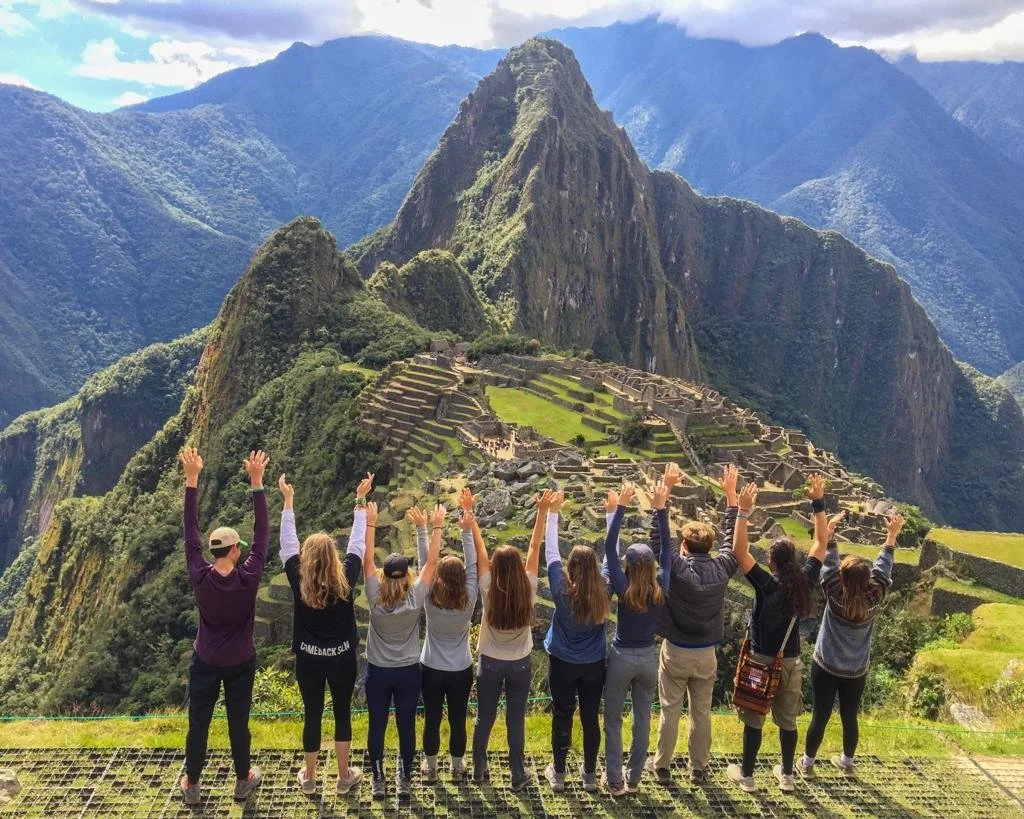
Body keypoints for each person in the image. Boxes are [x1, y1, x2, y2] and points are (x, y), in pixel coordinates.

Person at [726, 474, 832, 794]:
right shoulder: (805, 581)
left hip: (761, 661)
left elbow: (738, 550)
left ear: (771, 561)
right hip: (790, 661)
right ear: (794, 562)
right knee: (788, 720)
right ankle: (786, 774)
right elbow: (822, 543)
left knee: (754, 719)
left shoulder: (766, 584)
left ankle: (747, 775)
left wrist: (743, 511)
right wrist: (818, 502)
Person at [178, 448, 268, 806]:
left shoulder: (200, 576)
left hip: (205, 660)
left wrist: (192, 480)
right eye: (239, 548)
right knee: (238, 722)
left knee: (198, 722)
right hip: (240, 661)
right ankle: (243, 778)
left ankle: (193, 784)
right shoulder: (249, 577)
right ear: (233, 550)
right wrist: (257, 483)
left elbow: (190, 532)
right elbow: (262, 535)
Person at [650, 463, 743, 786]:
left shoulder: (679, 570)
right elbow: (733, 543)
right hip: (706, 654)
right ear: (709, 547)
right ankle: (698, 768)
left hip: (675, 650)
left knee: (670, 709)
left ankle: (662, 765)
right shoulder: (721, 570)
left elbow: (660, 543)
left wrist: (664, 496)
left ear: (686, 547)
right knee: (701, 712)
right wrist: (732, 497)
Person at [278, 472, 370, 797]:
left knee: (312, 714)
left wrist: (288, 502)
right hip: (343, 658)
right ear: (333, 558)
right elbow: (358, 544)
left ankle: (310, 778)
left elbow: (287, 544)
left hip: (309, 661)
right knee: (342, 713)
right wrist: (360, 501)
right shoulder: (345, 581)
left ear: (306, 559)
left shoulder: (297, 580)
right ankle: (344, 777)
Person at [798, 509, 905, 778]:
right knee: (849, 716)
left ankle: (808, 764)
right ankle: (846, 763)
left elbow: (828, 564)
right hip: (856, 670)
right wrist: (891, 535)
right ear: (866, 580)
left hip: (825, 664)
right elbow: (884, 568)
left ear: (843, 579)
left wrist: (830, 535)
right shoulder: (874, 596)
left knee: (819, 716)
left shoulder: (834, 594)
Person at [471, 489, 554, 791]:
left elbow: (480, 550)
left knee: (485, 717)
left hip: (490, 662)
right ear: (519, 567)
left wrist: (471, 515)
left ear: (495, 566)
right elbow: (535, 545)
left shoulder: (487, 586)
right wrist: (542, 510)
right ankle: (517, 776)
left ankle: (479, 770)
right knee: (515, 721)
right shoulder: (529, 586)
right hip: (519, 664)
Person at [601, 468, 675, 797]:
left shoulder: (622, 587)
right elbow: (669, 553)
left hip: (620, 657)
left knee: (614, 720)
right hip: (648, 659)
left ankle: (614, 780)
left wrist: (621, 507)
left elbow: (607, 546)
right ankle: (633, 780)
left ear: (629, 566)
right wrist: (661, 509)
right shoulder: (661, 589)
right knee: (643, 721)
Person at [364, 499, 442, 800]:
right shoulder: (415, 600)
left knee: (377, 725)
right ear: (407, 575)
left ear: (384, 576)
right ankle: (406, 779)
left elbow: (368, 561)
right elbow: (432, 564)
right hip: (408, 671)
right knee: (406, 725)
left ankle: (379, 779)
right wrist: (435, 526)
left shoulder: (374, 596)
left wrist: (370, 521)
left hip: (378, 672)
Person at [542, 490, 611, 793]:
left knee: (562, 713)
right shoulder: (605, 590)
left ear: (570, 570)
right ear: (595, 569)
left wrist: (552, 513)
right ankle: (590, 774)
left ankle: (558, 773)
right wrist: (612, 513)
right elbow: (612, 553)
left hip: (562, 663)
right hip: (594, 664)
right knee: (590, 717)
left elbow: (551, 553)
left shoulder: (561, 592)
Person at [418, 487, 480, 784]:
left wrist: (425, 530)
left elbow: (424, 565)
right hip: (460, 669)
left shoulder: (429, 596)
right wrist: (466, 525)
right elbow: (473, 565)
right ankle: (456, 769)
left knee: (432, 719)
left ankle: (430, 770)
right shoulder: (469, 598)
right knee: (457, 719)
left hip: (430, 666)